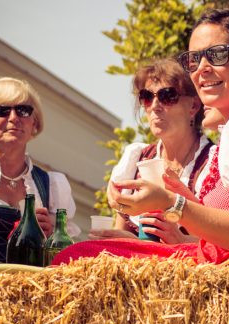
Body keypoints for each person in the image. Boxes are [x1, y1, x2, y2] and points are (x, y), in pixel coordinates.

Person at [54, 9, 229, 278]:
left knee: (77, 258)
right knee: (92, 254)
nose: (203, 68)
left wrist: (170, 202)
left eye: (218, 54)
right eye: (194, 59)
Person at [0, 77, 80, 269]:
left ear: (34, 124)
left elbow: (62, 265)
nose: (14, 118)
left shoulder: (51, 185)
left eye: (23, 110)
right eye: (1, 110)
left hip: (27, 292)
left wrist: (50, 238)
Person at [91, 58, 214, 244]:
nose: (155, 106)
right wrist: (126, 240)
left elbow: (227, 247)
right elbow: (123, 232)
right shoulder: (136, 159)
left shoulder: (214, 162)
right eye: (147, 97)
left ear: (194, 106)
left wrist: (180, 241)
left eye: (167, 96)